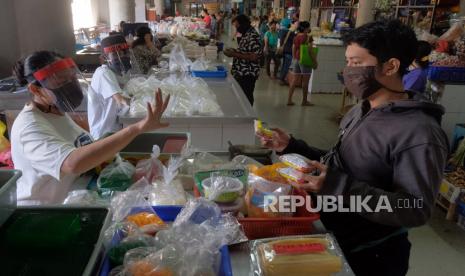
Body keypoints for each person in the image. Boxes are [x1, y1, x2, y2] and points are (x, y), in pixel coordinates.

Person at [259, 20, 449, 276]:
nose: (348, 71)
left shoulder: (419, 133)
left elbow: (414, 209)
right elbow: (339, 164)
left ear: (391, 66)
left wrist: (337, 187)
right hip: (335, 237)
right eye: (348, 62)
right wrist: (293, 147)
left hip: (373, 255)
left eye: (357, 63)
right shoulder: (362, 109)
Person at [11, 50, 170, 205]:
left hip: (78, 201)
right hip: (47, 215)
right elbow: (72, 164)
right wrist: (135, 129)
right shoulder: (30, 127)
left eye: (71, 78)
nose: (70, 86)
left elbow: (81, 147)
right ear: (35, 89)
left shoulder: (56, 111)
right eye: (61, 82)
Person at [88, 34, 134, 140]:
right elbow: (121, 101)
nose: (121, 56)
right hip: (103, 135)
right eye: (115, 54)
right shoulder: (104, 73)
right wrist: (146, 102)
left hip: (116, 129)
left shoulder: (118, 73)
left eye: (124, 52)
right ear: (104, 58)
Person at [224, 15, 262, 106]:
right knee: (241, 97)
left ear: (244, 24)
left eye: (237, 26)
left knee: (247, 98)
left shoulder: (253, 36)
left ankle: (249, 118)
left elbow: (254, 56)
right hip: (241, 72)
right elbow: (245, 51)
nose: (237, 29)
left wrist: (234, 54)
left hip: (248, 73)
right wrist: (235, 51)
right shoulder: (246, 34)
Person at [287, 21, 316, 106]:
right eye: (308, 27)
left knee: (294, 80)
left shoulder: (296, 37)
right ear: (306, 28)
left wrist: (294, 58)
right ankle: (304, 101)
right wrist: (315, 61)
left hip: (296, 59)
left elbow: (293, 48)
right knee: (305, 82)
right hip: (305, 61)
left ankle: (289, 100)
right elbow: (310, 50)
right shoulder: (308, 37)